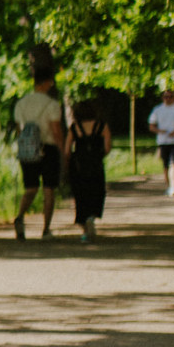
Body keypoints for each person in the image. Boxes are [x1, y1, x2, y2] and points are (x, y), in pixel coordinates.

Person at [12, 63, 67, 239]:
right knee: (49, 189)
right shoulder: (51, 104)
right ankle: (46, 228)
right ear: (47, 83)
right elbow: (56, 130)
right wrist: (63, 150)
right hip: (48, 148)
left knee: (30, 188)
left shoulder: (21, 104)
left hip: (28, 150)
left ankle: (20, 217)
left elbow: (20, 130)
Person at [68, 98, 112, 242]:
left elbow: (66, 149)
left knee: (81, 196)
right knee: (97, 192)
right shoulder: (102, 126)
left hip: (79, 167)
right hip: (96, 166)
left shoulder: (74, 128)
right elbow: (107, 148)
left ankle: (85, 230)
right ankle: (91, 217)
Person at [147, 89, 174, 196]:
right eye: (166, 96)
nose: (168, 99)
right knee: (165, 165)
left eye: (170, 96)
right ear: (162, 98)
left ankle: (173, 185)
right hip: (163, 141)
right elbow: (151, 126)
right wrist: (160, 131)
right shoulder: (157, 110)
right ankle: (168, 185)